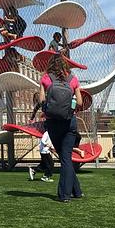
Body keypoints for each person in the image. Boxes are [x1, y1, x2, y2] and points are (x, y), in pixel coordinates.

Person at [38, 54, 83, 202]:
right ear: (65, 66)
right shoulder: (73, 79)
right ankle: (76, 191)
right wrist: (70, 108)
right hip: (69, 122)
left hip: (52, 122)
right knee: (66, 157)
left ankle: (64, 195)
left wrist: (47, 108)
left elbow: (42, 100)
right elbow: (80, 102)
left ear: (51, 65)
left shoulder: (46, 78)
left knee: (64, 157)